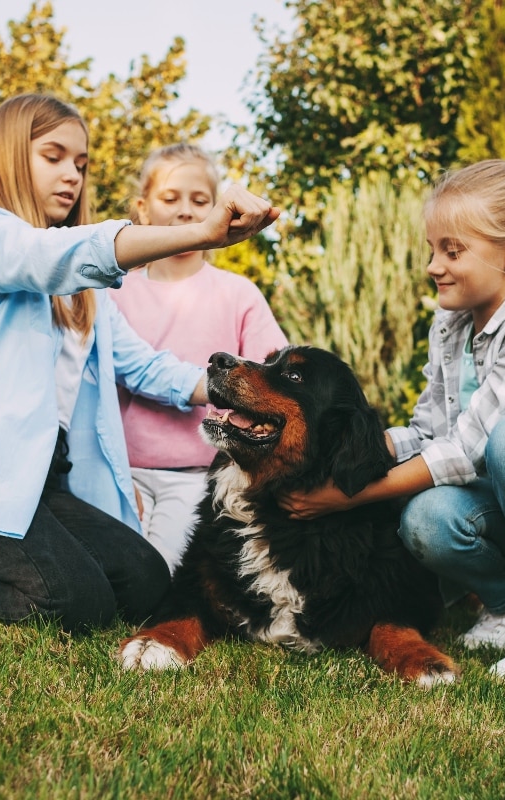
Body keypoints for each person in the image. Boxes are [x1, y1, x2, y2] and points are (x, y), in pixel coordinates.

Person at [0, 94, 278, 633]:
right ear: (7, 156)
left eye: (81, 163)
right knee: (71, 603)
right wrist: (200, 232)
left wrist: (229, 393)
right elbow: (56, 256)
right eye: (54, 156)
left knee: (146, 583)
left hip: (42, 483)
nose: (72, 175)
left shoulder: (84, 296)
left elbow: (143, 366)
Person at [278, 159, 505, 683]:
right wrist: (344, 453)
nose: (434, 265)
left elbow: (467, 450)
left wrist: (348, 495)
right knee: (425, 518)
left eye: (452, 251)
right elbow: (429, 433)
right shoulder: (450, 323)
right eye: (432, 250)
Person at [109, 144, 288, 572]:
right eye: (170, 199)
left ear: (218, 211)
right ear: (142, 209)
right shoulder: (113, 293)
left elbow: (272, 377)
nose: (186, 211)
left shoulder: (238, 294)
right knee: (110, 573)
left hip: (197, 474)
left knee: (160, 579)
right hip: (120, 472)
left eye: (200, 201)